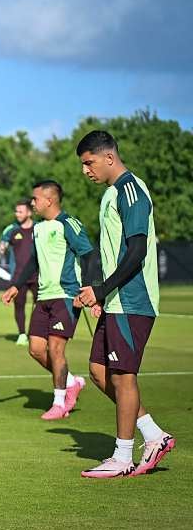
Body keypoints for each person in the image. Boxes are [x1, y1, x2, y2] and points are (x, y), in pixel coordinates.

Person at [74, 131, 174, 478]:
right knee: (100, 372)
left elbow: (136, 252)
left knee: (123, 376)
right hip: (116, 301)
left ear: (109, 157)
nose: (86, 170)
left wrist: (102, 291)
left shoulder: (131, 190)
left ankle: (121, 456)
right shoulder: (111, 194)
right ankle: (154, 435)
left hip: (133, 300)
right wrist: (100, 293)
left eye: (89, 162)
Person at [2, 180, 95, 420]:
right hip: (43, 298)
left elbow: (88, 255)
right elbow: (32, 261)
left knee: (55, 349)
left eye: (35, 199)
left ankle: (59, 403)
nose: (32, 203)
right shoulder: (38, 228)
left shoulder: (68, 224)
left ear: (50, 200)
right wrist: (15, 285)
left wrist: (87, 290)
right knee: (35, 349)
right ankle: (72, 381)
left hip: (65, 296)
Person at [0, 200, 36, 345]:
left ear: (29, 212)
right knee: (19, 305)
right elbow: (2, 246)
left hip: (38, 275)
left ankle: (35, 334)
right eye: (16, 211)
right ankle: (22, 334)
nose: (17, 214)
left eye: (20, 211)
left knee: (40, 306)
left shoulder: (40, 228)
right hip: (18, 277)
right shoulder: (11, 229)